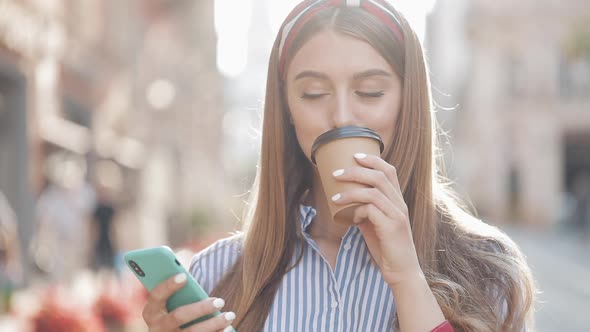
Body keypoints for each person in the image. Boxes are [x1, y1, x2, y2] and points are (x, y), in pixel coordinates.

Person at [140, 1, 535, 331]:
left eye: (370, 91)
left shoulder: (488, 269)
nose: (342, 115)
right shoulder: (218, 274)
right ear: (288, 110)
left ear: (407, 101)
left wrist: (407, 278)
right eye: (313, 94)